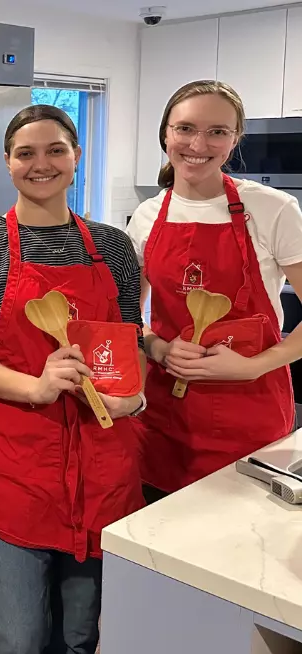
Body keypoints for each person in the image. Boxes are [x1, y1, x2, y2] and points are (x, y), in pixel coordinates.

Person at [0, 105, 146, 654]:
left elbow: (131, 340)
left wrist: (134, 396)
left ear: (76, 158)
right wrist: (36, 385)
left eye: (56, 150)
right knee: (16, 635)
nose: (41, 164)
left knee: (79, 635)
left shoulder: (114, 247)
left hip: (102, 468)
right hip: (17, 468)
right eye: (26, 153)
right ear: (8, 163)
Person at [127, 81, 302, 502]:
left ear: (234, 139)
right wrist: (157, 348)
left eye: (217, 132)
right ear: (166, 134)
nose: (198, 144)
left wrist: (253, 366)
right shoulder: (149, 215)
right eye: (185, 128)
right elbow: (129, 313)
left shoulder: (274, 209)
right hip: (165, 415)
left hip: (250, 413)